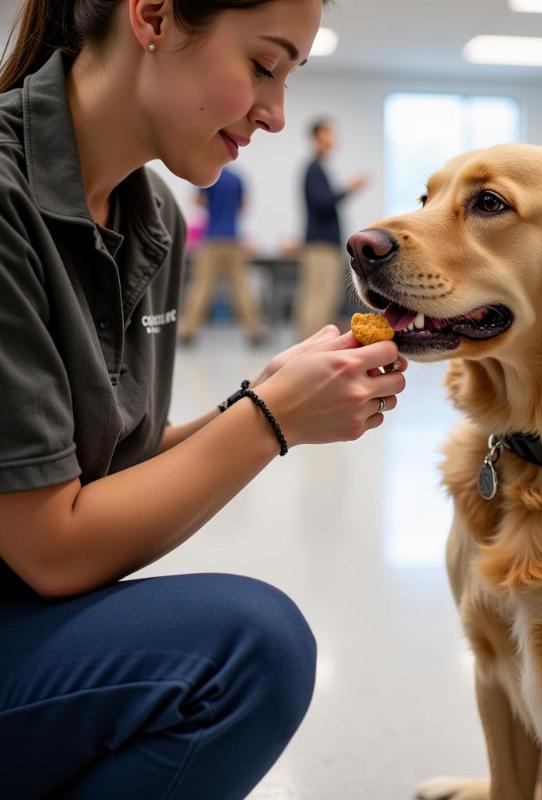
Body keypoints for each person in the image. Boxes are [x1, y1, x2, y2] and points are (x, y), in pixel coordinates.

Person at [0, 2, 407, 798]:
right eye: (263, 66)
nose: (277, 115)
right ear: (153, 15)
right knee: (250, 651)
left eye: (291, 79)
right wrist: (269, 421)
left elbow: (102, 470)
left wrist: (263, 395)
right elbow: (51, 549)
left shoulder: (146, 213)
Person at [294, 118, 368, 340]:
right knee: (317, 297)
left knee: (324, 298)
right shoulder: (313, 169)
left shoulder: (319, 169)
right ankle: (307, 345)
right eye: (328, 133)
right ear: (317, 137)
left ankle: (311, 346)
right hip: (320, 245)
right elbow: (323, 203)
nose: (333, 139)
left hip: (324, 245)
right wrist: (349, 188)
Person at [179, 166, 266, 346]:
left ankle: (187, 330)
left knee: (201, 286)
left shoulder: (209, 175)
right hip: (233, 239)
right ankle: (254, 330)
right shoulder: (237, 178)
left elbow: (198, 200)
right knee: (241, 287)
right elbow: (243, 206)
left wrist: (212, 204)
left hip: (211, 239)